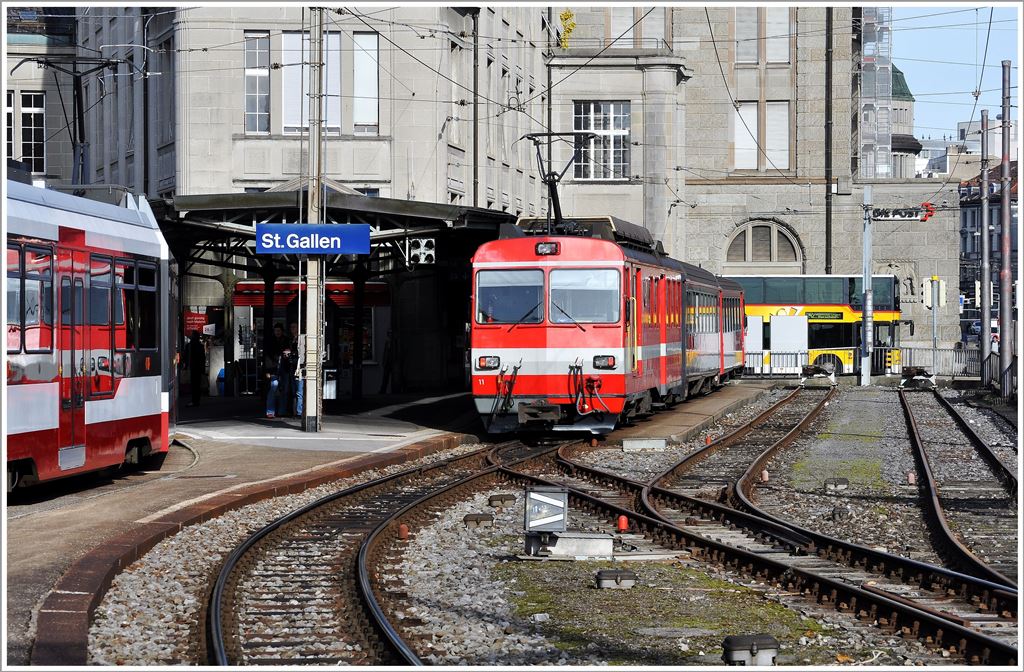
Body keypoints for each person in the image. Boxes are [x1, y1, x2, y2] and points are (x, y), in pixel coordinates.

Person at [264, 322, 287, 418]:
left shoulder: (286, 340)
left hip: (283, 368)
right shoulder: (271, 341)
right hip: (274, 368)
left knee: (283, 390)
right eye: (276, 330)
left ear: (282, 331)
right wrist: (267, 371)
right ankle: (271, 411)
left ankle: (281, 411)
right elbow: (267, 357)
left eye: (279, 330)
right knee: (274, 388)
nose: (277, 332)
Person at [289, 321, 304, 417]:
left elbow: (301, 353)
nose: (292, 329)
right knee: (294, 391)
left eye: (294, 327)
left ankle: (299, 412)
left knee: (299, 391)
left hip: (299, 367)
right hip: (292, 366)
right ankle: (295, 411)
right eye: (291, 327)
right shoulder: (291, 339)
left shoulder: (301, 339)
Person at [187, 330, 205, 407]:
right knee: (197, 385)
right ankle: (197, 400)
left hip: (192, 367)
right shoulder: (200, 346)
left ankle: (194, 401)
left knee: (193, 385)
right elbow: (203, 358)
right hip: (198, 367)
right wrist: (203, 368)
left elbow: (186, 356)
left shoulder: (190, 345)